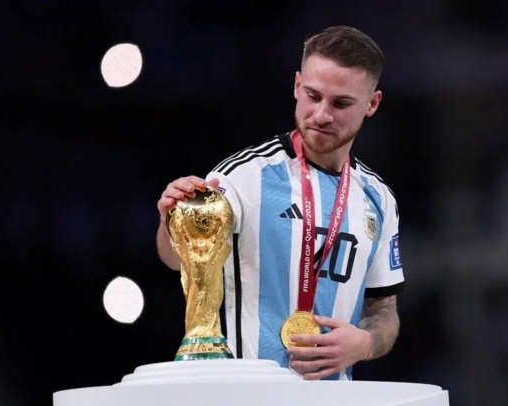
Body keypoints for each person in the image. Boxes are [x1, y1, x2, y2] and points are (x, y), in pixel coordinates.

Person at [156, 25, 404, 380]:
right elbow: (176, 260)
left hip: (337, 403)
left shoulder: (378, 199)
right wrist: (171, 221)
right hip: (248, 396)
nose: (322, 114)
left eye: (341, 103)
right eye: (313, 96)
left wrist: (364, 343)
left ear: (372, 103)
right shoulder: (243, 177)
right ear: (297, 85)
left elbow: (384, 309)